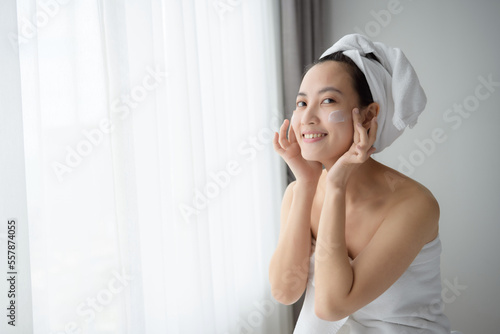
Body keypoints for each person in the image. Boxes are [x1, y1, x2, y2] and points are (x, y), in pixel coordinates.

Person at [268, 34, 459, 333]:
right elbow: (284, 292)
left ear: (369, 116)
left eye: (328, 100)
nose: (307, 117)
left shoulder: (414, 205)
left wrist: (335, 186)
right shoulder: (298, 192)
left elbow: (331, 306)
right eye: (302, 102)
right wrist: (305, 183)